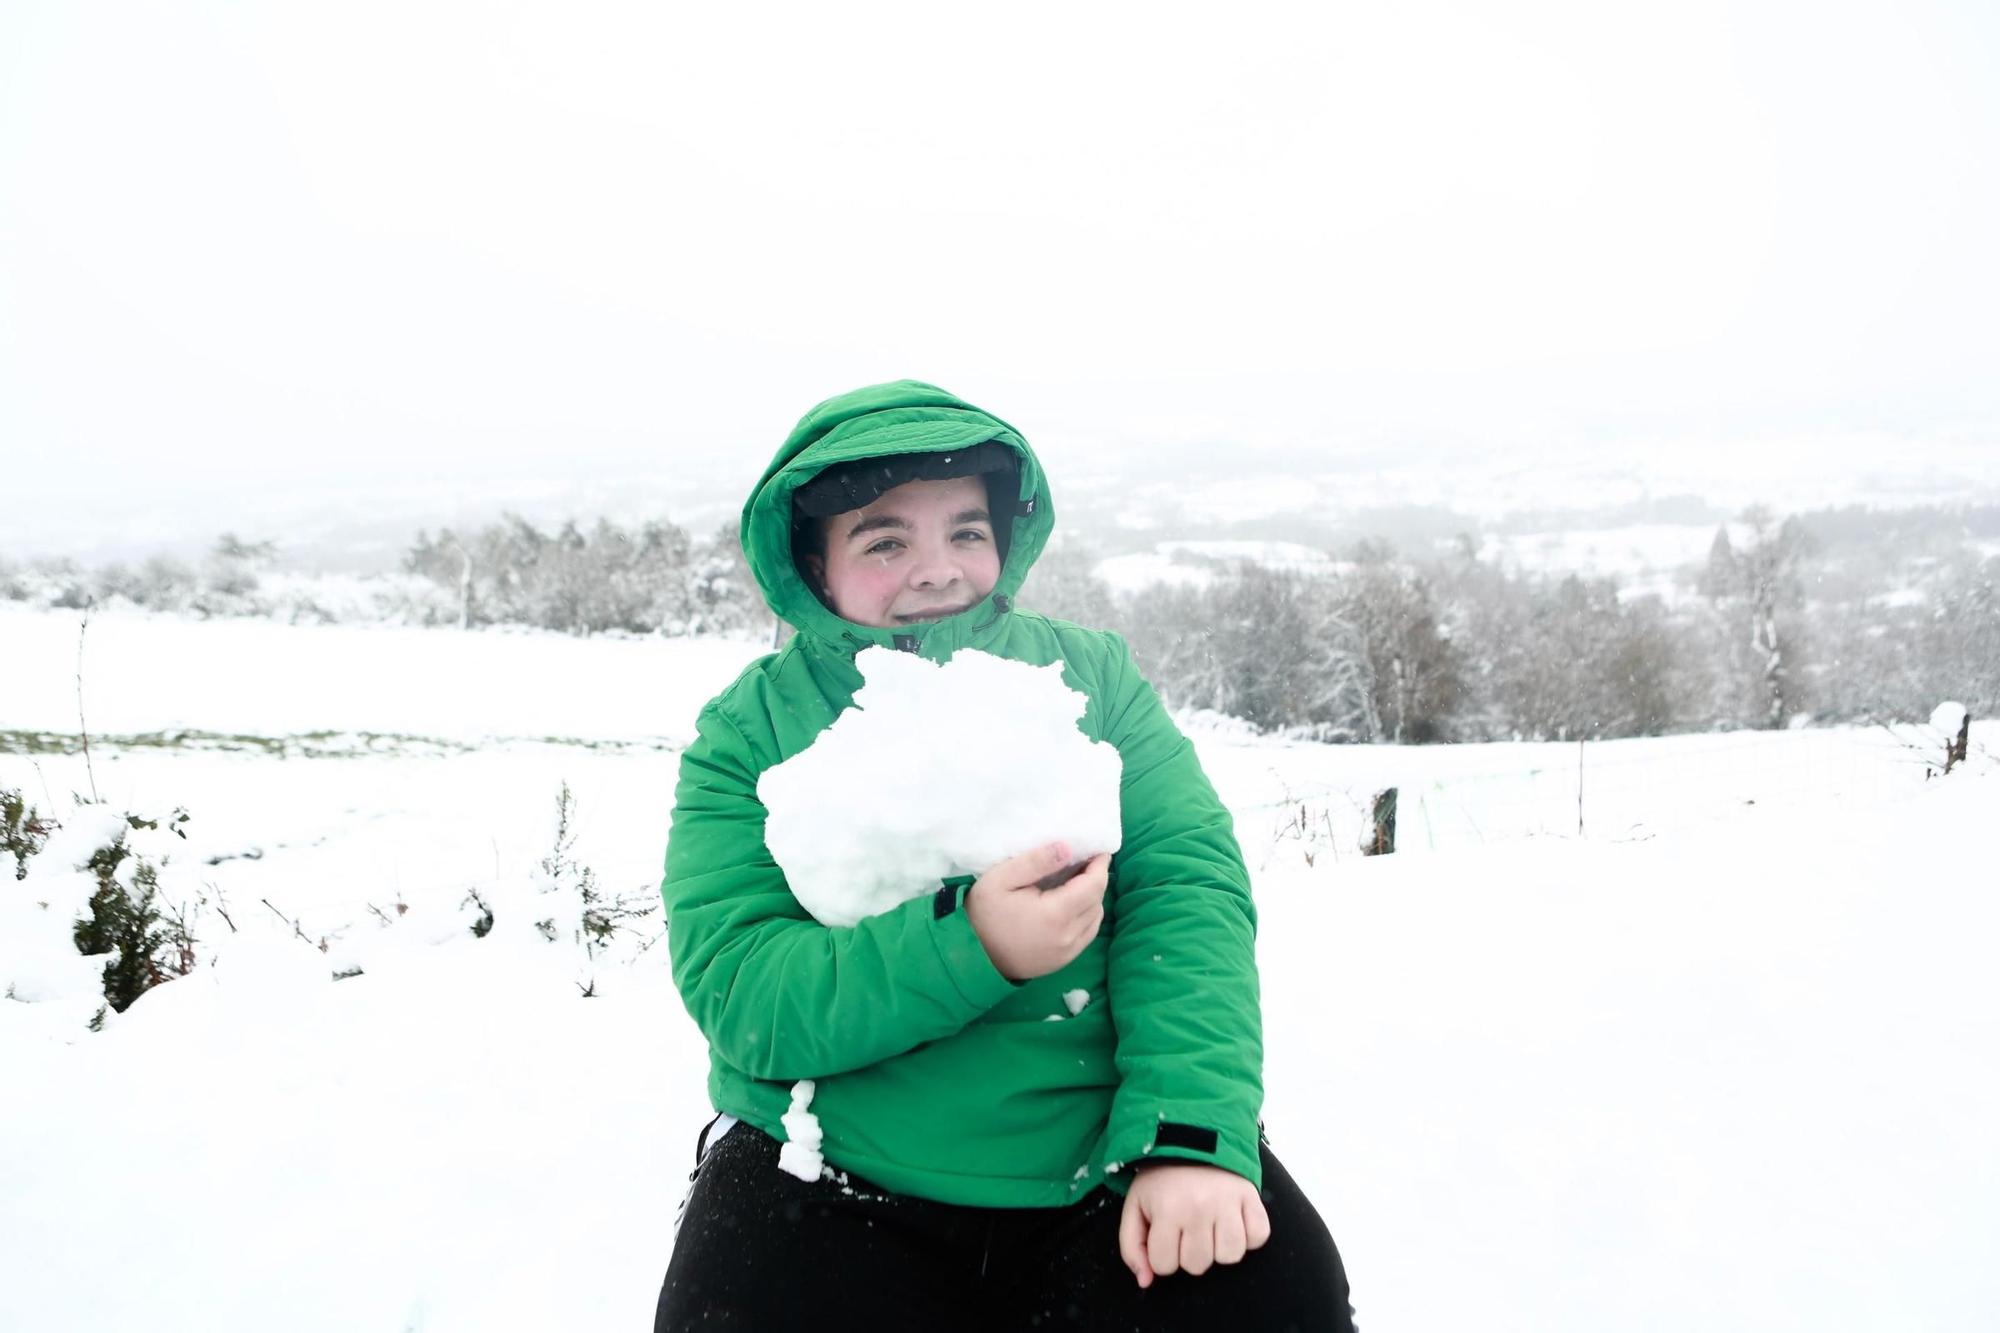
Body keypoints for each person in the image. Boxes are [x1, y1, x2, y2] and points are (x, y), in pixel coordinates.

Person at [655, 380, 1356, 1331]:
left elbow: (1185, 890)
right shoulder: (753, 731)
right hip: (825, 1157)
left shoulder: (1088, 678)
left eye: (967, 532)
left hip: (1104, 1151)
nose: (938, 569)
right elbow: (744, 993)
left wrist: (1188, 1136)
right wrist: (972, 941)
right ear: (812, 563)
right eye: (885, 539)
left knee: (1272, 1298)